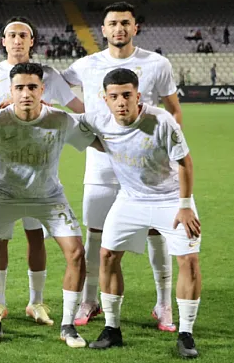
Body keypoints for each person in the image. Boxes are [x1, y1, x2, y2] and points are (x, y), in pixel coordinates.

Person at [62, 2, 183, 330]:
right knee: (95, 234)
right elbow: (55, 85)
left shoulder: (156, 63)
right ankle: (89, 300)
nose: (119, 28)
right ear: (103, 30)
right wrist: (82, 112)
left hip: (148, 167)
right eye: (113, 23)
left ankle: (163, 304)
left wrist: (171, 151)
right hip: (101, 164)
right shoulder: (86, 65)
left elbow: (174, 110)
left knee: (156, 233)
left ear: (135, 27)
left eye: (125, 23)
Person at [0, 16, 85, 324]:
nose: (17, 40)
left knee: (36, 236)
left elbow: (76, 107)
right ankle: (0, 302)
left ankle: (36, 301)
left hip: (41, 171)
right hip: (1, 168)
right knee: (0, 238)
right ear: (3, 41)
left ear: (32, 41)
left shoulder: (48, 74)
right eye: (12, 35)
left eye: (23, 35)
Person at [0, 62, 97, 348]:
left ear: (42, 90)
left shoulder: (60, 120)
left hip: (48, 197)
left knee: (76, 253)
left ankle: (68, 327)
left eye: (32, 87)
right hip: (5, 196)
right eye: (19, 88)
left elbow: (97, 141)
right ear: (10, 91)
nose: (26, 93)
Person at [81, 68, 202, 359]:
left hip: (171, 199)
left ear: (138, 95)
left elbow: (185, 162)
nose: (121, 101)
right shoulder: (98, 120)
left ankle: (186, 333)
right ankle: (112, 328)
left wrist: (185, 205)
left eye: (127, 95)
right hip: (130, 199)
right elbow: (68, 125)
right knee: (107, 255)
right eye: (114, 96)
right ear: (105, 99)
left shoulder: (162, 121)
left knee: (188, 260)